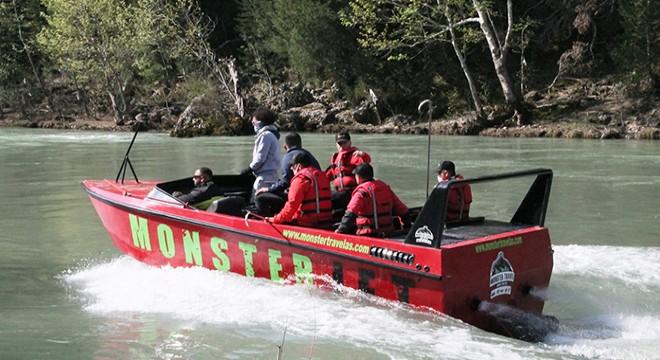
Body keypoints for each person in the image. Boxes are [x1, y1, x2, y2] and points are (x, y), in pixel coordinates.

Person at [254, 132, 321, 216]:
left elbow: (285, 182)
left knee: (260, 198)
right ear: (300, 144)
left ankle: (269, 222)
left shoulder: (288, 158)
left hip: (300, 199)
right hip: (315, 198)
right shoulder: (309, 156)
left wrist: (267, 189)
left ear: (285, 147)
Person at [335, 163, 410, 237]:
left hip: (368, 236)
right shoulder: (386, 189)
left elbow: (350, 213)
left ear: (358, 177)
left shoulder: (362, 192)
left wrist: (340, 231)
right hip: (388, 234)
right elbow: (403, 211)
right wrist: (406, 229)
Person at [266, 152, 333, 228]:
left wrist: (275, 219)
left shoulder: (300, 179)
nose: (291, 168)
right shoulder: (322, 176)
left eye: (293, 166)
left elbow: (291, 205)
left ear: (299, 166)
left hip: (307, 223)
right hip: (326, 221)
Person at [241, 107, 282, 200]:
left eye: (254, 123)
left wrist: (249, 169)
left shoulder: (265, 136)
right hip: (273, 175)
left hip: (264, 177)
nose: (253, 126)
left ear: (261, 123)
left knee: (256, 201)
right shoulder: (273, 135)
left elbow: (260, 158)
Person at [325, 131, 371, 210]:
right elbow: (327, 177)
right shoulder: (335, 157)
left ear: (350, 143)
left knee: (330, 199)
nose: (342, 146)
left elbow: (366, 163)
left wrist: (363, 155)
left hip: (351, 192)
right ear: (336, 144)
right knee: (322, 197)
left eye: (344, 143)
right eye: (340, 143)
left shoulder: (355, 155)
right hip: (340, 192)